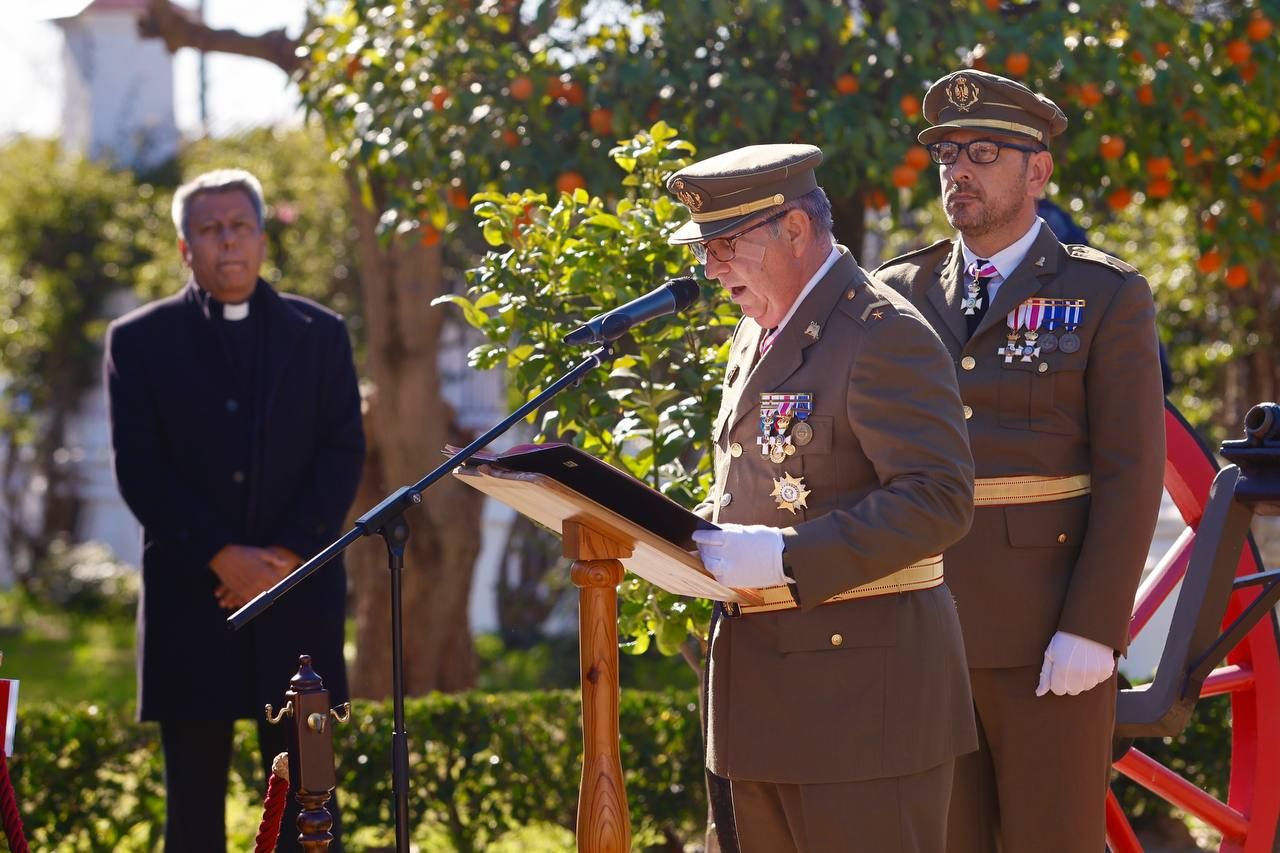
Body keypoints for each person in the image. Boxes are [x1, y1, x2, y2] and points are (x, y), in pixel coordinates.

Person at [875, 70, 1166, 852]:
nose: (957, 170)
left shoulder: (1105, 294)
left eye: (983, 151)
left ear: (1037, 171)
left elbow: (1132, 472)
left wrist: (1094, 628)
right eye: (946, 154)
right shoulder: (894, 294)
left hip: (1047, 638)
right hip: (920, 625)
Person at [667, 144, 978, 852]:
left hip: (864, 711)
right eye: (705, 250)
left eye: (724, 246)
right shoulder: (756, 331)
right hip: (760, 701)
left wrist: (784, 555)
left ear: (795, 230)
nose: (710, 268)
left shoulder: (883, 333)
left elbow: (940, 498)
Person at [105, 169, 364, 852]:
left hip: (298, 600)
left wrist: (281, 558)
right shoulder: (137, 342)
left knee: (310, 811)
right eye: (210, 229)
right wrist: (222, 554)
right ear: (185, 247)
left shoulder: (321, 333)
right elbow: (140, 469)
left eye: (240, 226)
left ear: (262, 238)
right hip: (194, 601)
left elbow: (342, 452)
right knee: (193, 815)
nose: (228, 242)